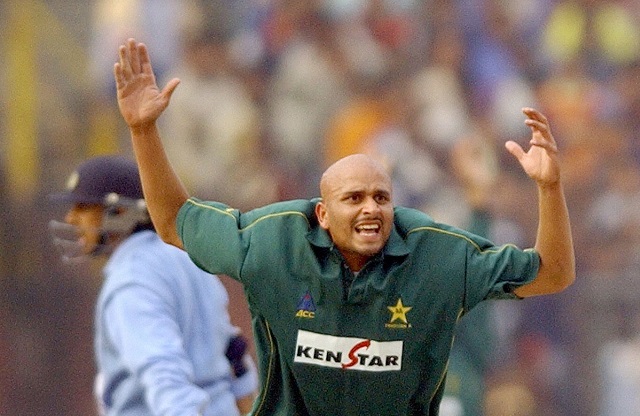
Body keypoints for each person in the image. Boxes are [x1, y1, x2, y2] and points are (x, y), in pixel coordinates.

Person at [113, 38, 575, 415]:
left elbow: (552, 273)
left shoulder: (436, 255)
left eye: (381, 198)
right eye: (353, 199)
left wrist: (550, 188)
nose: (370, 209)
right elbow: (173, 222)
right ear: (322, 214)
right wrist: (143, 131)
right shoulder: (273, 242)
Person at [49, 155, 258, 416]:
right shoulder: (188, 256)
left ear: (120, 212)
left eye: (83, 207)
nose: (70, 218)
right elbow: (235, 356)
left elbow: (165, 376)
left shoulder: (131, 281)